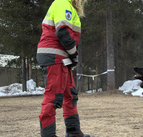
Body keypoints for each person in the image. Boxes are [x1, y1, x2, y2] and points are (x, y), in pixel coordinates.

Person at [36, 0, 89, 137]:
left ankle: (74, 132)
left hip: (61, 56)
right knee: (53, 97)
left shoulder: (67, 6)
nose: (83, 2)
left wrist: (71, 55)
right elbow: (63, 31)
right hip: (55, 56)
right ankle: (48, 135)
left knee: (70, 95)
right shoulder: (62, 3)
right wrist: (73, 53)